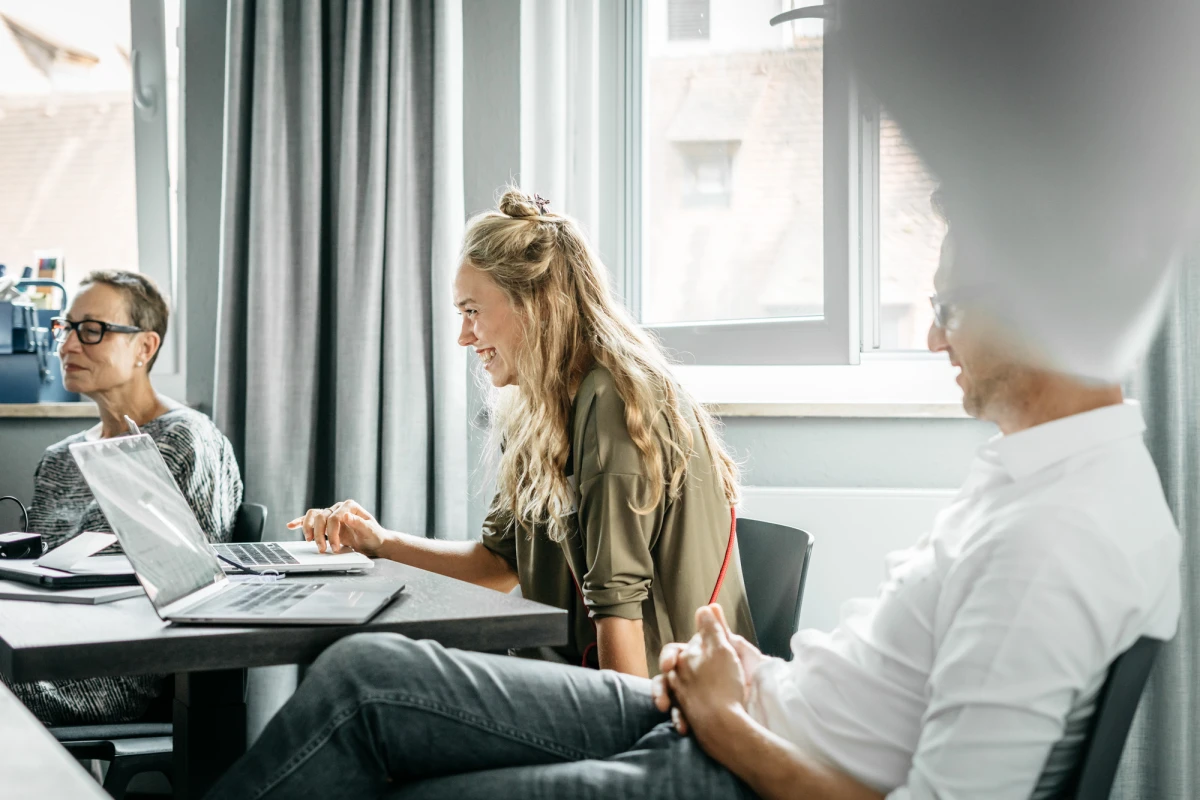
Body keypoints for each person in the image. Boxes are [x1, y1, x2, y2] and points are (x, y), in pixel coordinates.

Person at [205, 194, 1179, 800]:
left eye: (946, 307)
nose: (934, 341)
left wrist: (728, 725)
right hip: (735, 711)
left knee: (391, 753)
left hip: (730, 757)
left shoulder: (1060, 531)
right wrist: (745, 675)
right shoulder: (1039, 479)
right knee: (366, 669)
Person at [289, 189, 754, 677]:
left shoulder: (613, 400)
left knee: (365, 671)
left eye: (472, 311)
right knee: (368, 667)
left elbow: (620, 615)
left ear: (535, 304)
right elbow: (497, 564)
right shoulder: (545, 408)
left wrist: (625, 751)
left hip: (660, 705)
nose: (464, 336)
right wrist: (377, 541)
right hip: (577, 677)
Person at [7, 270, 243, 725]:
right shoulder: (60, 458)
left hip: (106, 670)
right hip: (32, 644)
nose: (68, 345)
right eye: (66, 327)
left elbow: (195, 594)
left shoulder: (184, 440)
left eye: (92, 330)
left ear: (145, 347)